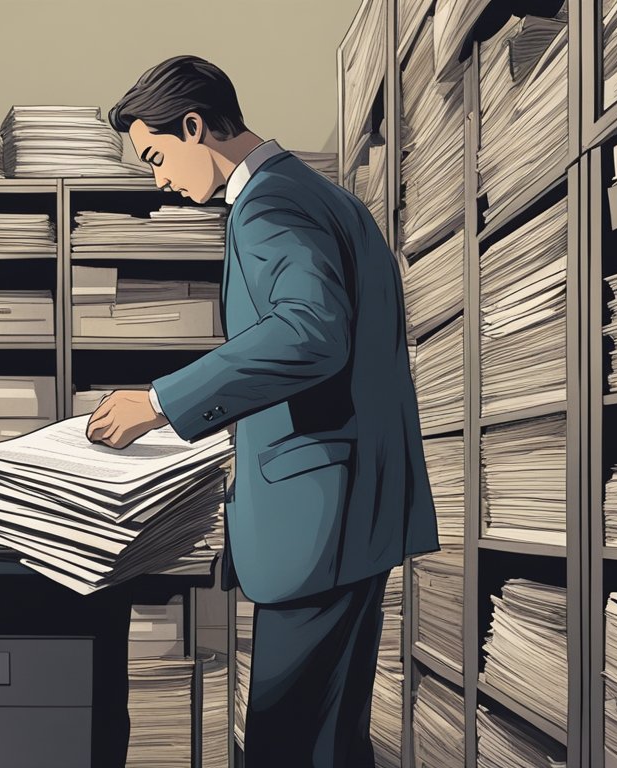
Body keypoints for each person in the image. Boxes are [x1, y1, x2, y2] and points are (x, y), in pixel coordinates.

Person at [88, 55, 440, 766]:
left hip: (317, 522)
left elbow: (309, 334)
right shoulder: (326, 196)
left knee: (287, 744)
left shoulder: (271, 203)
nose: (160, 180)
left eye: (157, 157)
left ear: (195, 126)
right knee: (329, 738)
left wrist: (161, 403)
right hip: (354, 509)